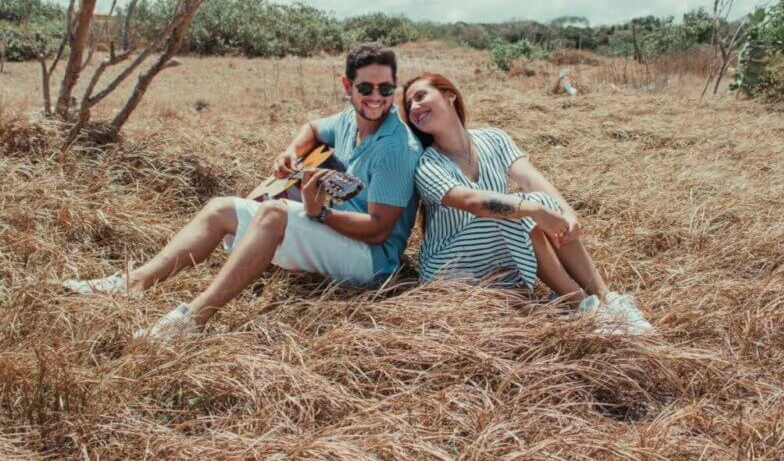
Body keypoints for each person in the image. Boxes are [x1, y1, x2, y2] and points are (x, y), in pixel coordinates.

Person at [64, 43, 422, 338]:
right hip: (334, 227)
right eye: (365, 88)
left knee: (273, 214)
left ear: (395, 88)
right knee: (221, 208)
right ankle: (133, 282)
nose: (376, 97)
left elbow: (378, 231)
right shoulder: (349, 119)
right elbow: (312, 128)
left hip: (371, 261)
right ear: (347, 86)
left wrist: (321, 214)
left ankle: (191, 321)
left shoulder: (396, 148)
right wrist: (291, 152)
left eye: (386, 89)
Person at [401, 73, 652, 334]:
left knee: (538, 200)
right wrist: (533, 209)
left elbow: (531, 179)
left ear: (449, 94)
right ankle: (583, 307)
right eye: (409, 107)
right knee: (519, 208)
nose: (415, 108)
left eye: (420, 96)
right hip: (449, 267)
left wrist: (565, 212)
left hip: (496, 252)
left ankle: (607, 298)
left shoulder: (493, 138)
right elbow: (473, 202)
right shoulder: (427, 164)